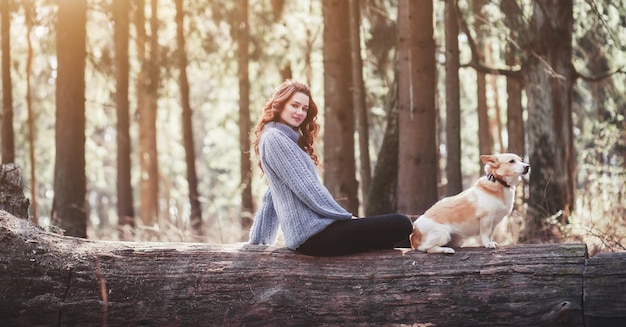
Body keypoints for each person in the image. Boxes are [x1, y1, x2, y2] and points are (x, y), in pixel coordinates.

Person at [248, 80, 413, 256]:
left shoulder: (283, 139)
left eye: (304, 109)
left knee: (397, 237)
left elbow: (273, 193)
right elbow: (308, 190)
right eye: (294, 105)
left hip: (314, 234)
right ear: (280, 105)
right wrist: (346, 218)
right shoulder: (275, 138)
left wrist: (258, 242)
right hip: (314, 235)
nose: (299, 112)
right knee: (401, 224)